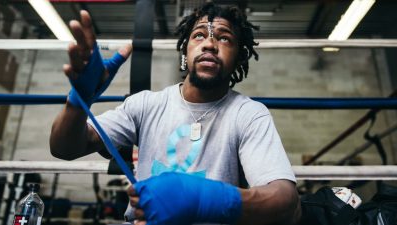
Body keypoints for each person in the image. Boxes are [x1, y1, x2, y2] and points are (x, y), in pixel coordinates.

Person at [50, 3, 301, 225]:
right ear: (185, 51)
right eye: (199, 35)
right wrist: (78, 102)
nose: (210, 44)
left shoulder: (248, 114)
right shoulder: (146, 104)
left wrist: (202, 199)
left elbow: (284, 200)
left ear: (239, 58)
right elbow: (65, 148)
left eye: (224, 39)